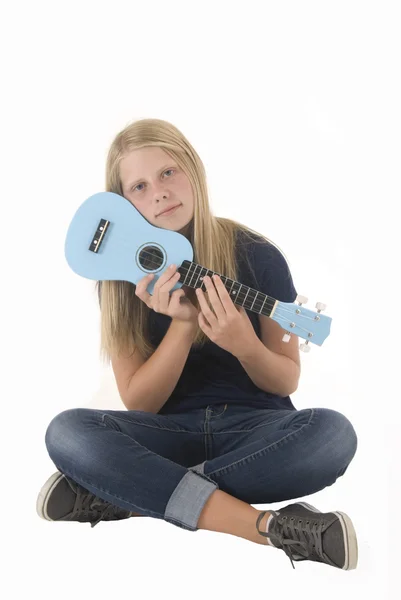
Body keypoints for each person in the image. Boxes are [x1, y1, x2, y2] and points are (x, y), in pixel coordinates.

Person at [37, 118, 358, 571]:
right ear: (123, 202)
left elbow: (287, 376)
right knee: (66, 431)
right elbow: (140, 402)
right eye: (139, 187)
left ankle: (134, 494)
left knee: (333, 435)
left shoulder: (256, 254)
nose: (159, 193)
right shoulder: (119, 278)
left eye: (168, 173)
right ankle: (267, 527)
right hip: (166, 436)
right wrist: (183, 328)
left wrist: (244, 344)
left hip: (256, 434)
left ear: (193, 169)